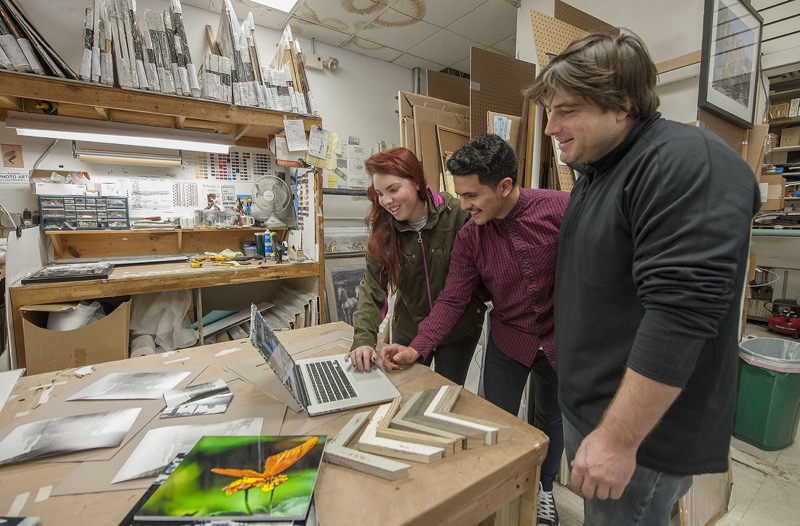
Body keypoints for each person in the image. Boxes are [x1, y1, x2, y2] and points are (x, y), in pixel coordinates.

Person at [529, 31, 761, 525]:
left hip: (641, 437)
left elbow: (681, 314)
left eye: (566, 110)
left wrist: (617, 439)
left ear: (623, 104)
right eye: (550, 110)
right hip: (595, 412)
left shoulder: (685, 163)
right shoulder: (599, 171)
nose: (551, 127)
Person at [381, 134, 569, 526]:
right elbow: (452, 299)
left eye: (471, 195)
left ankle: (545, 489)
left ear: (504, 186)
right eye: (459, 195)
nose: (462, 206)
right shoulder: (470, 236)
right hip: (508, 340)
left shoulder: (561, 210)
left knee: (549, 418)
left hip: (559, 340)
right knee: (496, 420)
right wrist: (419, 347)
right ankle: (500, 493)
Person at [344, 147, 487, 386]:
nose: (386, 201)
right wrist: (364, 339)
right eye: (380, 193)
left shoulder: (458, 216)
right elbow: (372, 288)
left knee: (444, 397)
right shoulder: (383, 231)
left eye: (394, 189)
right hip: (409, 331)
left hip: (457, 332)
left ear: (417, 182)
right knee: (405, 393)